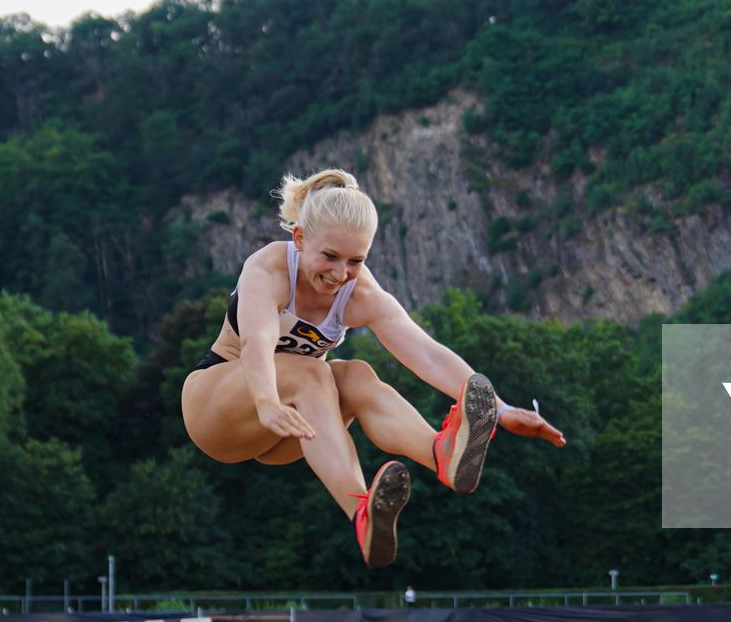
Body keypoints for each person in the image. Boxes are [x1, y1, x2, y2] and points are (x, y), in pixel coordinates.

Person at [180, 170, 566, 566]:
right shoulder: (269, 270)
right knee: (313, 371)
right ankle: (358, 511)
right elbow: (257, 341)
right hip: (216, 409)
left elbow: (427, 353)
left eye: (355, 261)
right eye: (329, 256)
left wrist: (501, 410)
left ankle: (441, 454)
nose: (339, 274)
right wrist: (265, 400)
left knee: (357, 375)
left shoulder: (359, 291)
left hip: (285, 430)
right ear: (299, 239)